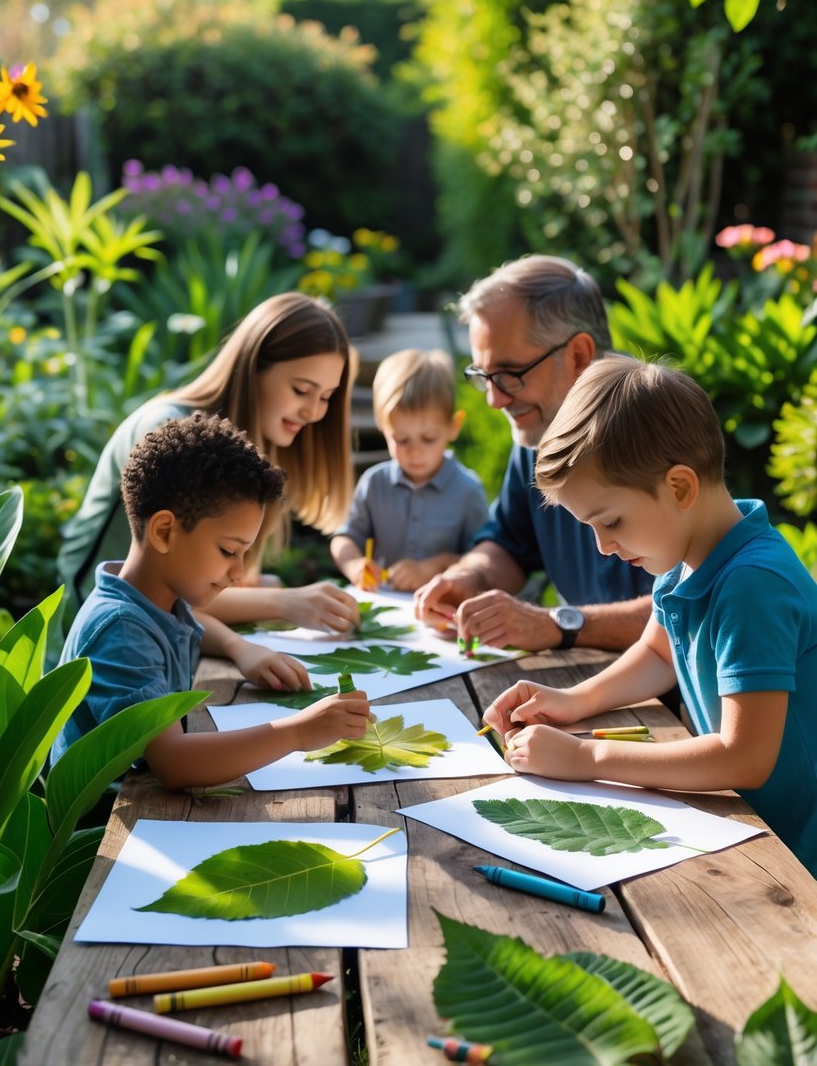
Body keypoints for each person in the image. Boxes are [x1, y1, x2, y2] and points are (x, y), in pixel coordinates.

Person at [483, 357, 817, 876]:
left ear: (680, 488)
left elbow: (744, 757)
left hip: (800, 854)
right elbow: (660, 653)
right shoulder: (686, 558)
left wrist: (584, 759)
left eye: (610, 520)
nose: (603, 546)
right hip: (753, 833)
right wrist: (574, 700)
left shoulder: (753, 585)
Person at [50, 414, 371, 790]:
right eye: (228, 551)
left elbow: (190, 628)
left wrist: (238, 647)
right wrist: (298, 733)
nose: (239, 572)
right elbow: (175, 761)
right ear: (164, 531)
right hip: (104, 831)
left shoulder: (156, 594)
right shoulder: (120, 630)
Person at [57, 292, 361, 636]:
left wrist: (265, 590)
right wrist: (283, 601)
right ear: (253, 368)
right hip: (99, 631)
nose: (314, 412)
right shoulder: (171, 431)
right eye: (301, 389)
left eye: (325, 397)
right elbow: (169, 589)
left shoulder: (259, 442)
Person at [413, 255, 653, 652]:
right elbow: (510, 543)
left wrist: (558, 625)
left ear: (578, 355)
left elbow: (690, 606)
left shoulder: (654, 433)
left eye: (509, 374)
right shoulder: (544, 425)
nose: (494, 399)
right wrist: (469, 578)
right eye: (483, 376)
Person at [330, 348, 489, 591]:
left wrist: (433, 567)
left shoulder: (467, 490)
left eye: (428, 438)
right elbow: (345, 538)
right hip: (386, 603)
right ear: (383, 429)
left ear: (453, 427)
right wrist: (354, 565)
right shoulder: (374, 483)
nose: (415, 452)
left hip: (442, 612)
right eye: (402, 439)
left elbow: (484, 561)